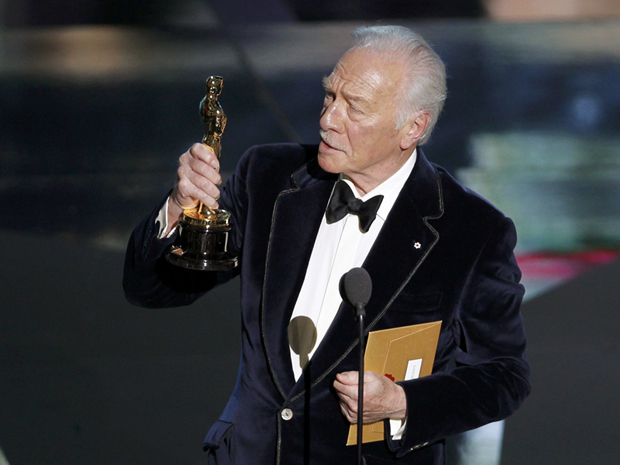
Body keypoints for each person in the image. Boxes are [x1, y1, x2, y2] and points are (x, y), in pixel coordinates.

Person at [124, 25, 530, 465]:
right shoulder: (267, 178)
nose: (328, 119)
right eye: (329, 96)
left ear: (412, 127)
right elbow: (153, 289)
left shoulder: (471, 230)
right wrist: (177, 209)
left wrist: (402, 404)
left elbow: (504, 376)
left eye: (353, 107)